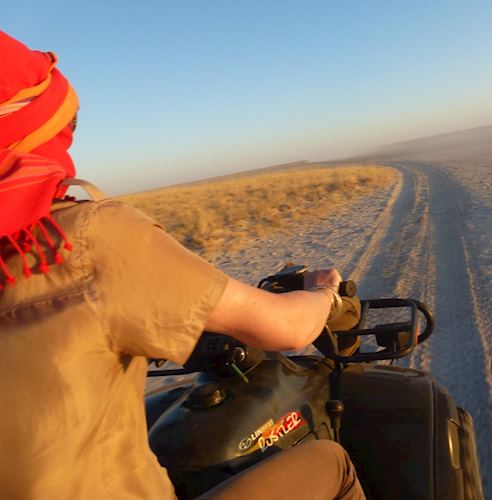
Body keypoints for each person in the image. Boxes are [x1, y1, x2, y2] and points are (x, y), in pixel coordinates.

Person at [0, 31, 365, 499]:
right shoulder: (87, 237)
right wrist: (322, 293)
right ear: (35, 128)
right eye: (65, 123)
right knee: (330, 464)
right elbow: (286, 329)